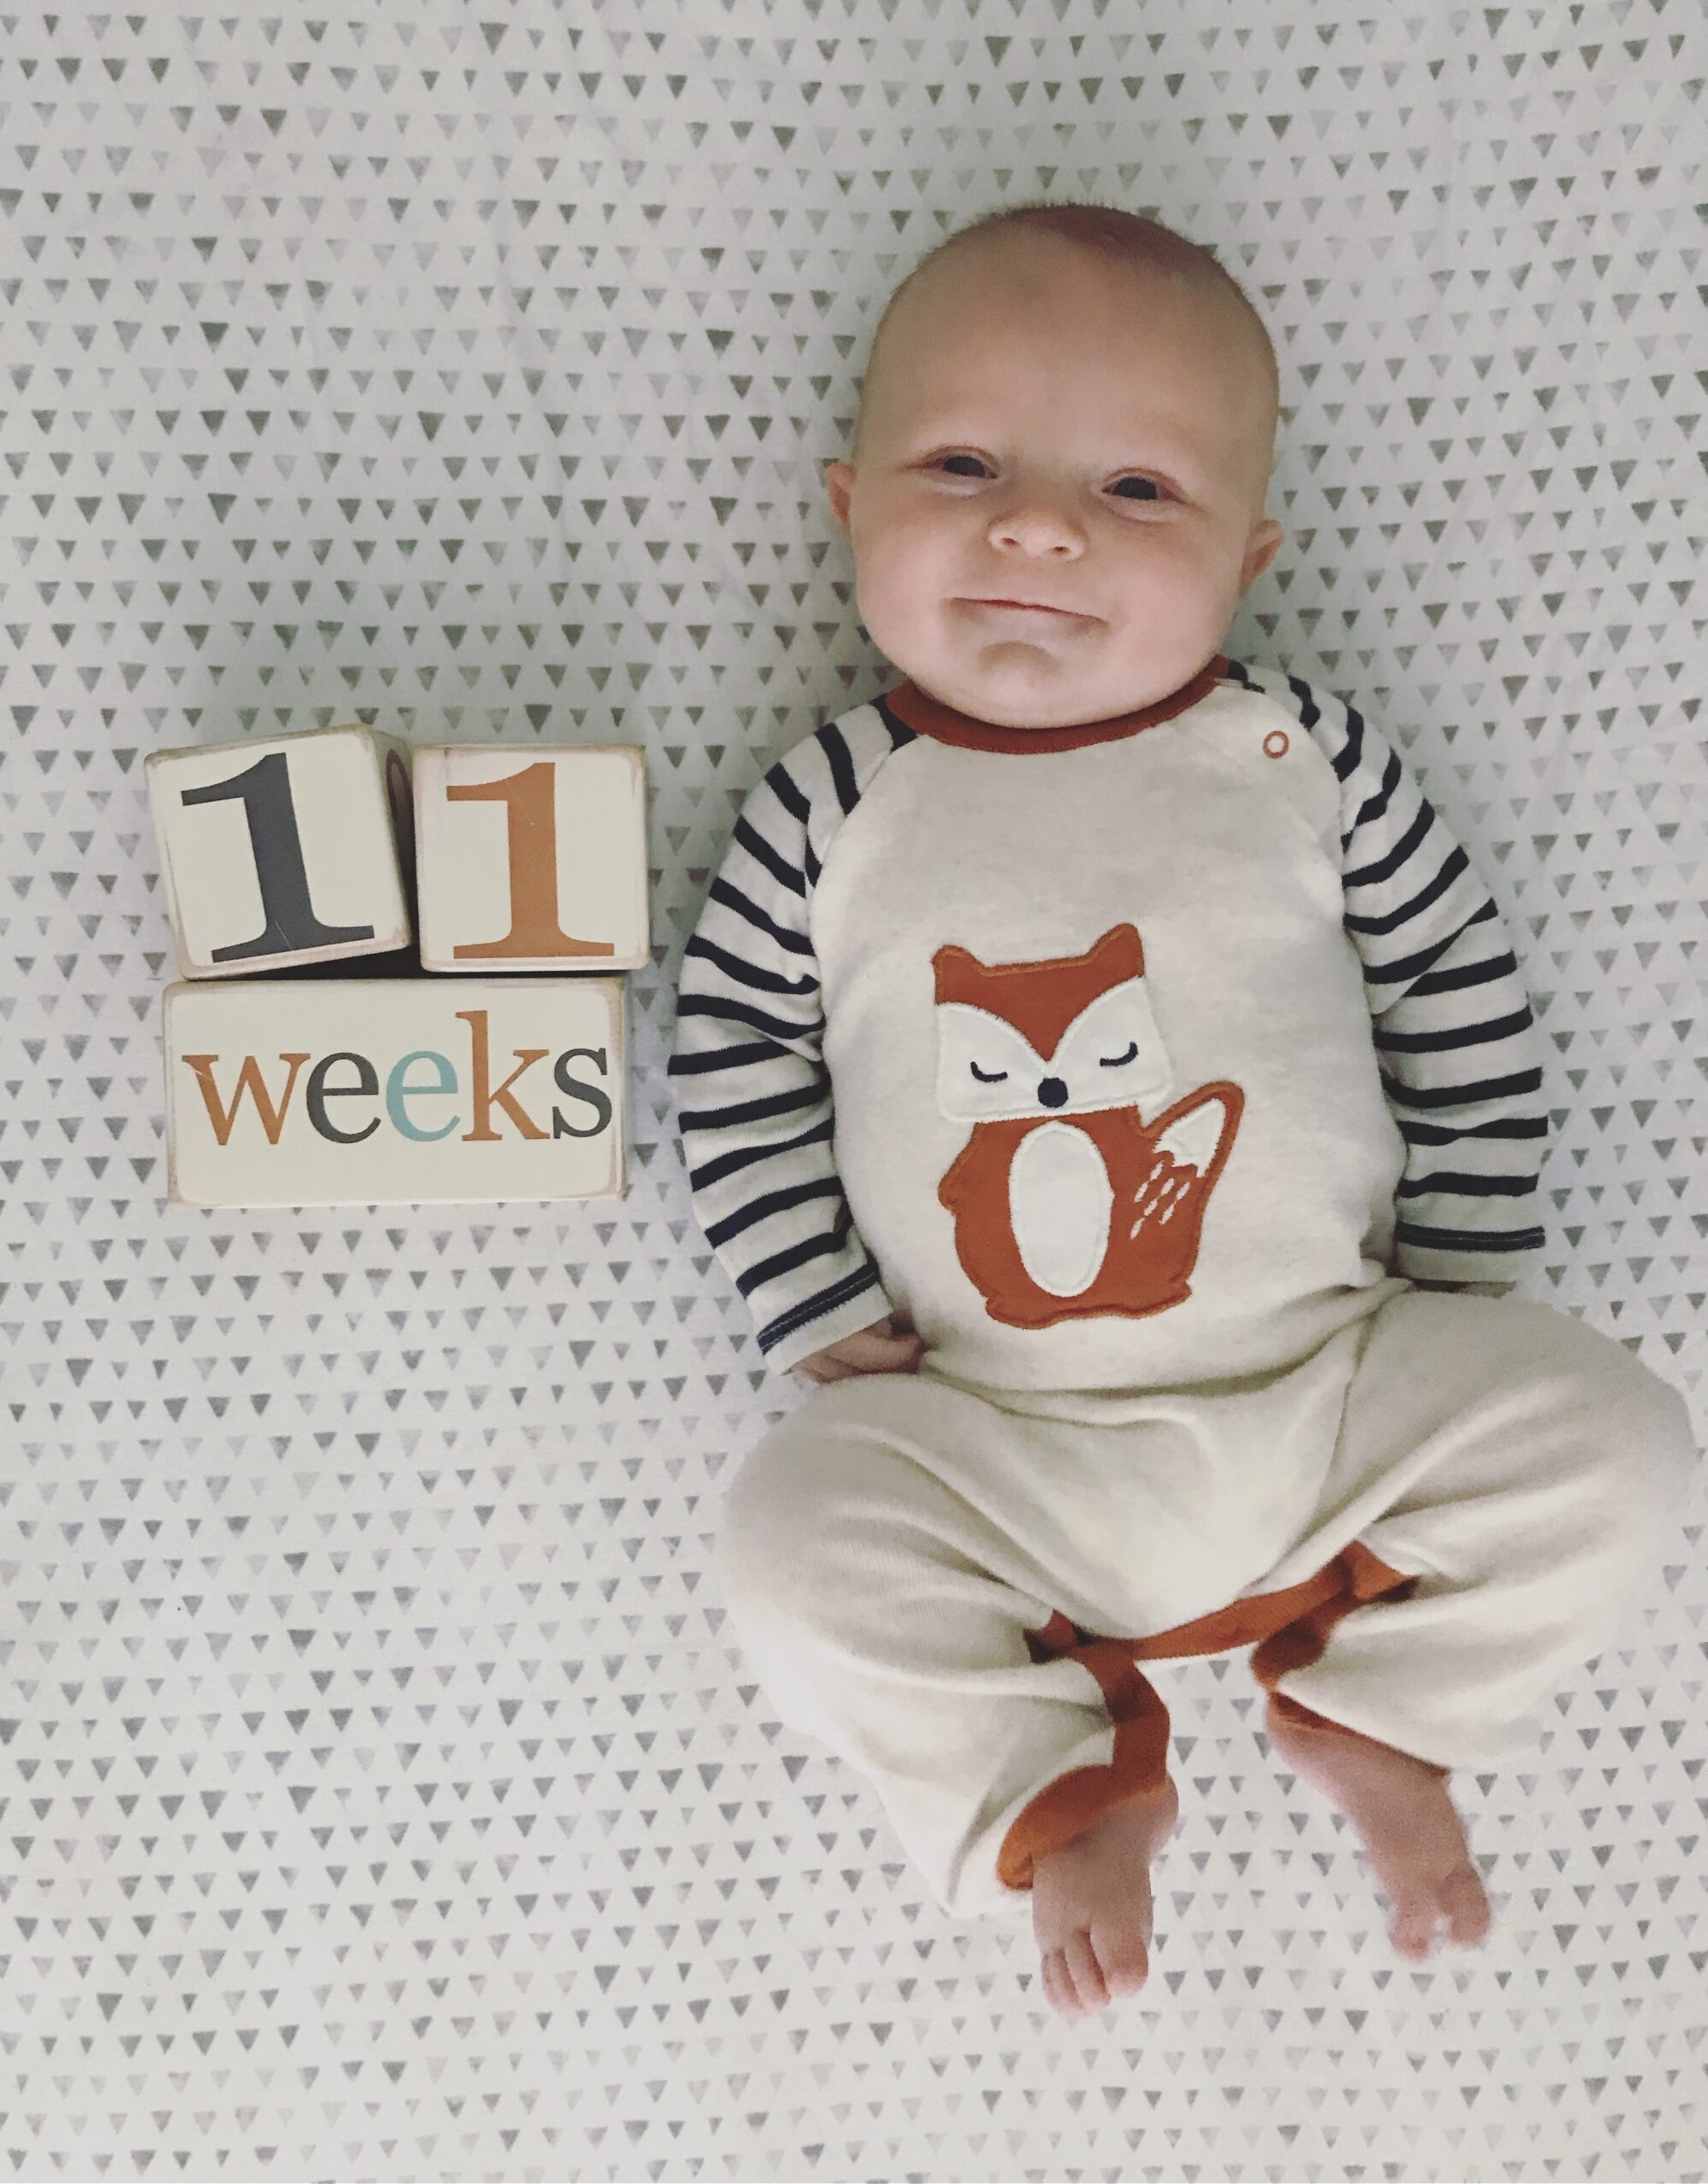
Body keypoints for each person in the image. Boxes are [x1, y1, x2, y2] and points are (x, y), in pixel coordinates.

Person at [665, 200, 1696, 2023]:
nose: (1036, 523)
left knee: (1616, 1437)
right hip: (995, 1439)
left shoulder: (1290, 759)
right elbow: (730, 1045)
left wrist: (1464, 1270)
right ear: (846, 507)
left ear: (1248, 553)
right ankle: (1057, 1785)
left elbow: (1453, 990)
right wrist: (811, 1307)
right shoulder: (835, 803)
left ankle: (1389, 1709)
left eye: (1135, 493)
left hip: (1333, 1389)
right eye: (963, 463)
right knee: (787, 1535)